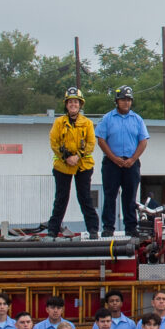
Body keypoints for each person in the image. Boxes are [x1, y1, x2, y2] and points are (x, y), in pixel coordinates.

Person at [95, 85, 151, 238]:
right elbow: (101, 140)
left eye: (128, 100)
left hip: (131, 164)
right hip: (111, 163)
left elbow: (143, 141)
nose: (126, 103)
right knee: (110, 195)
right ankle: (108, 227)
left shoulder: (137, 119)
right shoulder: (107, 118)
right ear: (117, 101)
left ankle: (131, 228)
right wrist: (114, 158)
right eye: (123, 100)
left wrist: (133, 159)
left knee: (130, 196)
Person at [44, 87, 100, 236]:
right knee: (61, 198)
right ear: (66, 104)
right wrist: (66, 157)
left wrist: (78, 156)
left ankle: (93, 229)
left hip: (83, 166)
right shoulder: (59, 122)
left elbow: (90, 143)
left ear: (80, 104)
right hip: (62, 166)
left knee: (85, 197)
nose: (73, 105)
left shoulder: (87, 123)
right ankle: (53, 229)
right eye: (70, 102)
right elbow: (54, 141)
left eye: (76, 102)